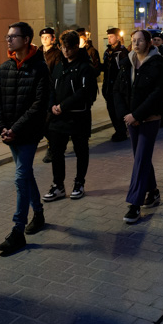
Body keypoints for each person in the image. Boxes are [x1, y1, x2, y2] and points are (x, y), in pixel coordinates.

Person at [0, 22, 50, 255]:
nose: (8, 40)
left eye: (13, 36)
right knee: (25, 174)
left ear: (26, 40)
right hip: (10, 133)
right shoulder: (5, 67)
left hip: (28, 133)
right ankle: (39, 212)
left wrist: (16, 128)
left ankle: (18, 230)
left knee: (19, 177)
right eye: (7, 36)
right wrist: (1, 128)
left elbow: (39, 104)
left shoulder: (40, 68)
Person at [113, 29, 163, 224]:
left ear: (148, 43)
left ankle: (134, 204)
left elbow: (158, 93)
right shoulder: (127, 62)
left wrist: (137, 115)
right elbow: (117, 91)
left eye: (140, 41)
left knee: (140, 160)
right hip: (131, 119)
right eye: (133, 40)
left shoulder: (157, 63)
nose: (136, 44)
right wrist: (126, 117)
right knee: (140, 158)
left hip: (149, 119)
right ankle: (153, 192)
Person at [43, 30, 98, 203]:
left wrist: (63, 106)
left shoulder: (85, 66)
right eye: (63, 47)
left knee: (81, 150)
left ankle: (79, 183)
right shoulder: (60, 65)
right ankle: (58, 185)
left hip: (78, 116)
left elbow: (84, 92)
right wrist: (52, 105)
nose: (66, 51)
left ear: (76, 47)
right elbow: (51, 86)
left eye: (69, 48)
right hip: (58, 117)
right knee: (56, 151)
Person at [37, 27, 64, 163]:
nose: (45, 40)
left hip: (51, 91)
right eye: (43, 37)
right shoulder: (38, 53)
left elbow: (57, 73)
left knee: (49, 122)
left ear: (53, 38)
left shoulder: (57, 54)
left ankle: (52, 148)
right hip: (39, 92)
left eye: (47, 37)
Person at [102, 27, 127, 142]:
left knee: (118, 110)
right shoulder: (108, 52)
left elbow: (123, 70)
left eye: (111, 37)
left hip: (117, 87)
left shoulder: (121, 52)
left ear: (118, 37)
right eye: (108, 37)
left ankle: (121, 131)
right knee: (111, 109)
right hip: (108, 86)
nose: (109, 39)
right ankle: (118, 129)